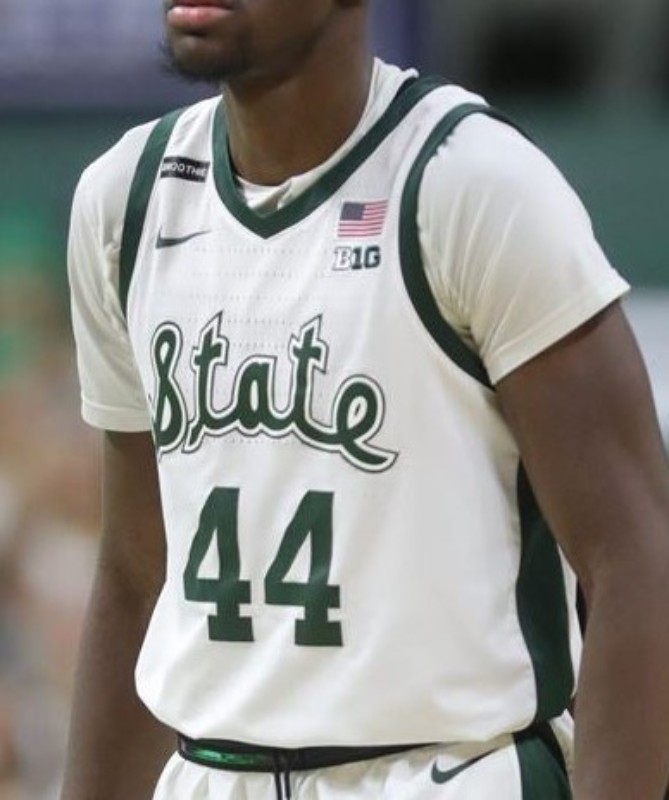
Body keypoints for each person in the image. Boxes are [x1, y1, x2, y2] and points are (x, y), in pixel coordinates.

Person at [62, 1, 669, 798]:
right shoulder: (128, 199)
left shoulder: (469, 182)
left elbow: (635, 555)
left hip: (446, 770)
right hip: (211, 771)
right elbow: (137, 571)